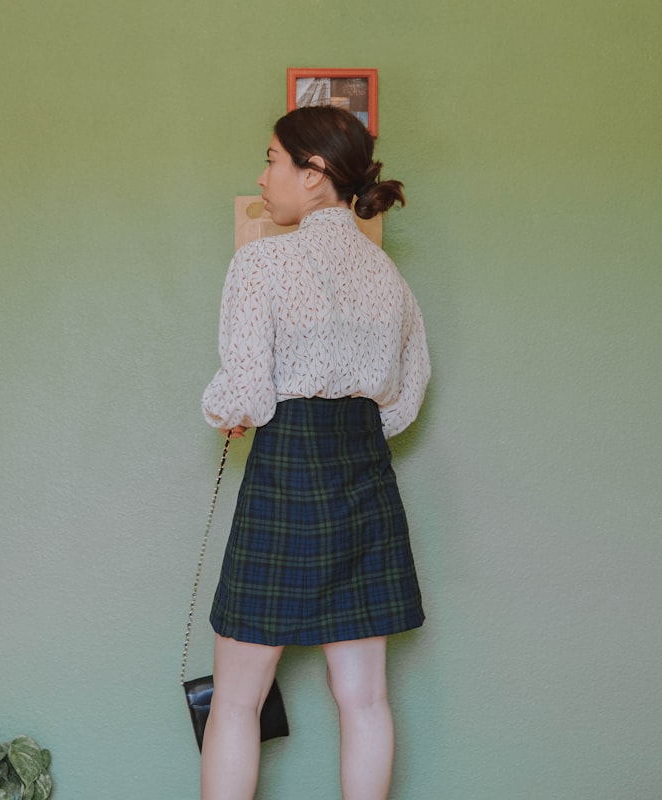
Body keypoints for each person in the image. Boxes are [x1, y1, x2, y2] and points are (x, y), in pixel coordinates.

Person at [200, 105, 430, 800]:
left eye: (272, 159)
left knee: (237, 701)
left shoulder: (261, 261)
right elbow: (408, 390)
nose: (263, 176)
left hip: (285, 477)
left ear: (316, 171)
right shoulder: (388, 277)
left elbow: (246, 395)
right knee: (364, 702)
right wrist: (352, 428)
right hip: (365, 478)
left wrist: (226, 413)